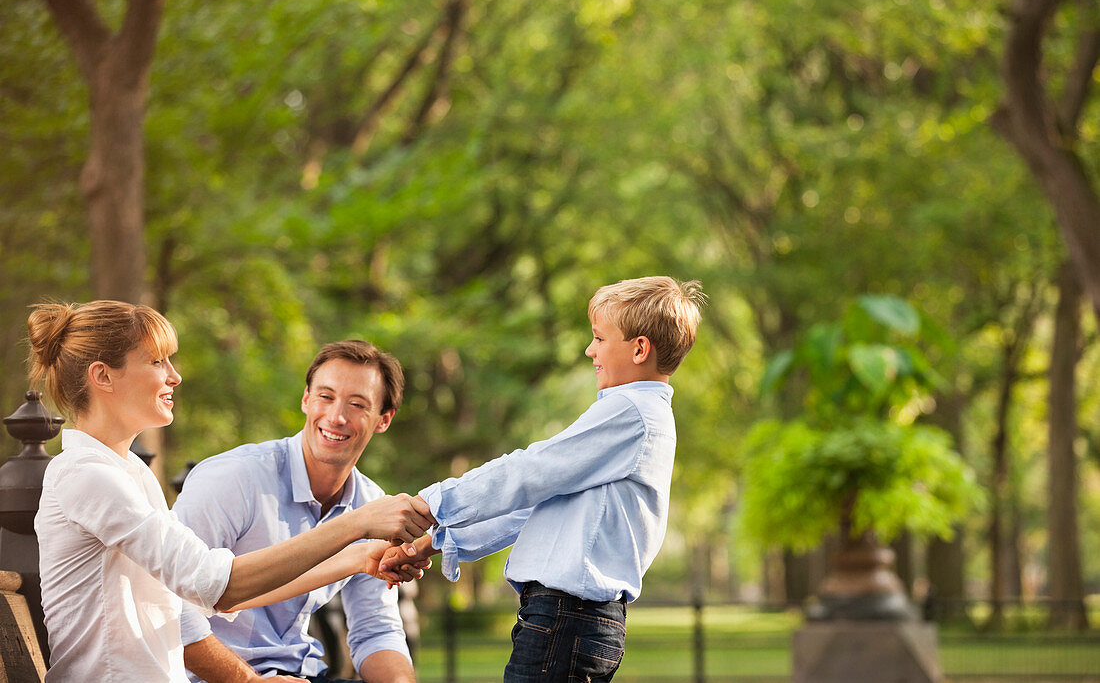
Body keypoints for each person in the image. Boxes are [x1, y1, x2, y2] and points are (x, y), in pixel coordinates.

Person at [28, 301, 433, 683]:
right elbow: (217, 586)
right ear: (103, 376)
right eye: (156, 361)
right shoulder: (86, 477)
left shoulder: (129, 471)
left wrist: (357, 557)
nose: (174, 375)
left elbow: (212, 599)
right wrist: (357, 524)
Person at [382, 276, 705, 682]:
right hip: (564, 619)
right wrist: (437, 541)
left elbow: (529, 471)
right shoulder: (631, 418)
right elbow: (537, 506)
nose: (590, 350)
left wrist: (431, 503)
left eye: (600, 339)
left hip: (568, 618)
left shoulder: (631, 413)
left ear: (640, 348)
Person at [173, 340, 426, 683]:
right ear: (306, 399)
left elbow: (376, 629)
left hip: (301, 672)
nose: (336, 416)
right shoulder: (234, 478)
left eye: (356, 404)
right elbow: (170, 609)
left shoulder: (371, 502)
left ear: (383, 419)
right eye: (326, 396)